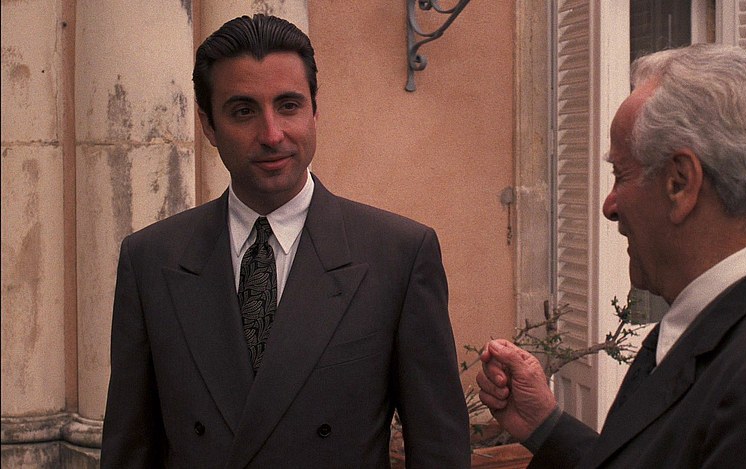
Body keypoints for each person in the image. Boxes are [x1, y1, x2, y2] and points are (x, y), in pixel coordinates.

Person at [101, 14, 470, 468]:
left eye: (289, 105)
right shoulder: (150, 260)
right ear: (208, 125)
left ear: (315, 111)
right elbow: (129, 449)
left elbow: (439, 450)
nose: (272, 134)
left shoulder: (399, 256)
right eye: (243, 111)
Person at [477, 44, 746, 468]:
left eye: (621, 174)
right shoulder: (730, 315)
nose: (610, 206)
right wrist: (547, 426)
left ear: (681, 183)